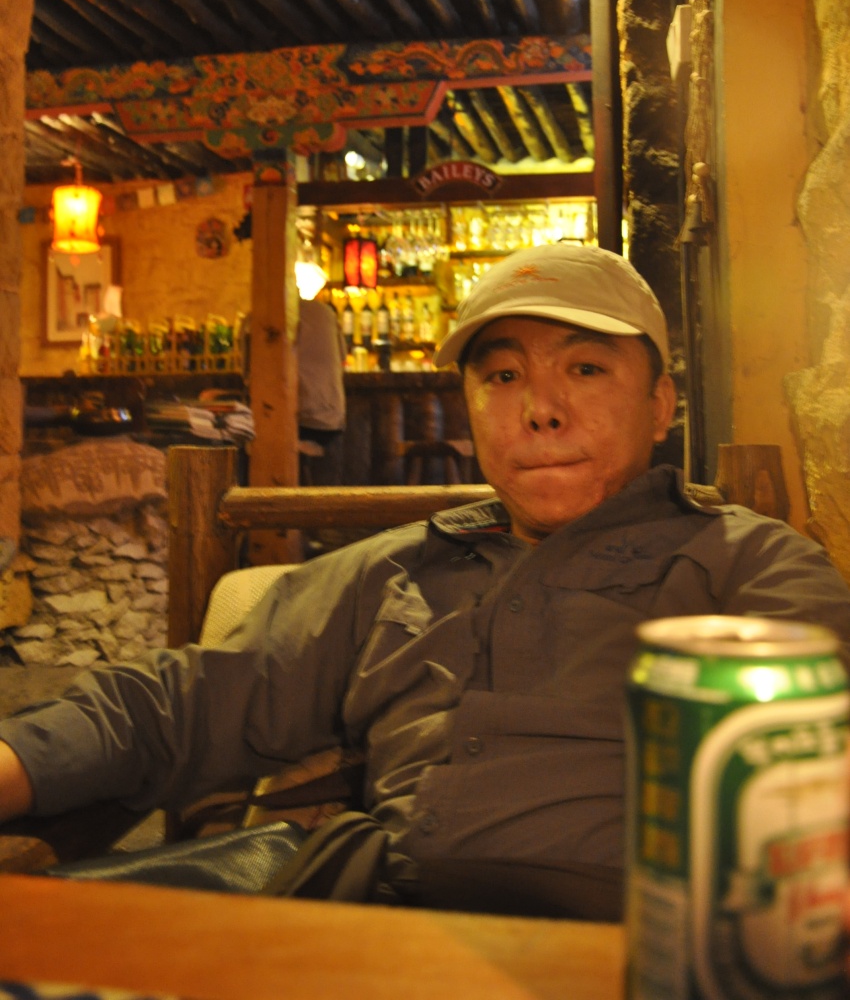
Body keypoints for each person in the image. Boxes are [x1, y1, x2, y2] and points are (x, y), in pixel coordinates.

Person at [1, 243, 850, 919]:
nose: (541, 410)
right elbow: (183, 702)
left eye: (586, 370)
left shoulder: (744, 564)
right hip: (380, 932)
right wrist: (16, 759)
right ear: (470, 409)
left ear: (660, 405)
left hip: (636, 950)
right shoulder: (402, 568)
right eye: (504, 377)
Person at [296, 293, 347, 485]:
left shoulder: (262, 317)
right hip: (332, 422)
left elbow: (248, 374)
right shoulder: (326, 312)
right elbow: (343, 356)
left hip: (298, 424)